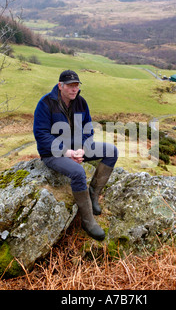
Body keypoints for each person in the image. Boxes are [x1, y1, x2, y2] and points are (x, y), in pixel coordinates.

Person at [33, 70, 118, 241]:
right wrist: (67, 152)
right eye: (71, 86)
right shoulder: (45, 104)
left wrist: (83, 150)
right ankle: (88, 221)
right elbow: (42, 135)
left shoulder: (80, 102)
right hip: (53, 153)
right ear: (60, 86)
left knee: (112, 151)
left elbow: (88, 130)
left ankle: (93, 195)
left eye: (77, 85)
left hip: (77, 149)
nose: (74, 89)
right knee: (78, 173)